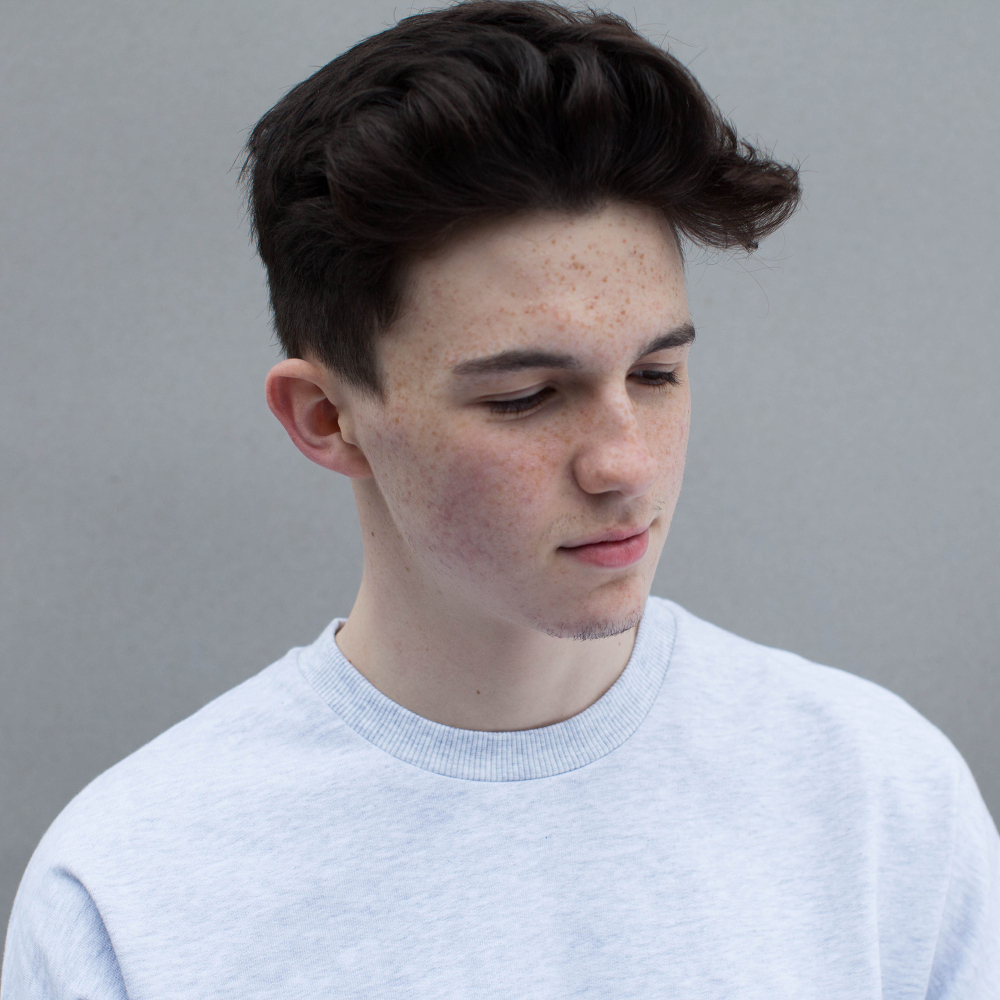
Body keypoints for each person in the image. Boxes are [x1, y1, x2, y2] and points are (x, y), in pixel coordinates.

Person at [3, 1, 998, 995]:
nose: (624, 465)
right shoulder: (132, 892)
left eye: (655, 374)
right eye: (524, 396)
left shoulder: (880, 801)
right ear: (325, 417)